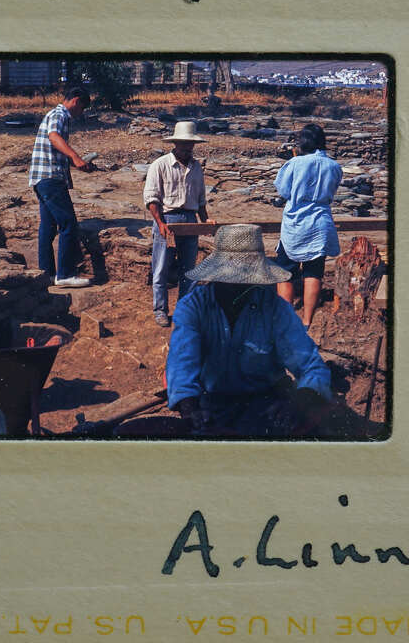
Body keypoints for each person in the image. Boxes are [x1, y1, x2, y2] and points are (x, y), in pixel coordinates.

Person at [166, 224, 332, 437]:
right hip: (212, 402)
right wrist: (189, 407)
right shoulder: (193, 307)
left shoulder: (275, 308)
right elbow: (181, 363)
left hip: (266, 403)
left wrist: (300, 402)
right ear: (216, 276)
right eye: (231, 281)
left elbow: (311, 365)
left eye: (246, 281)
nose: (239, 288)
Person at [274, 123, 343, 329]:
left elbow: (283, 190)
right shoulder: (334, 166)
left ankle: (286, 319)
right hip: (320, 222)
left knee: (285, 271)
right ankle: (307, 320)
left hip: (296, 222)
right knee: (314, 272)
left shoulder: (295, 163)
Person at [143, 121, 211, 327]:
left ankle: (184, 311)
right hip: (168, 219)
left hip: (190, 220)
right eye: (183, 144)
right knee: (161, 268)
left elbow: (200, 199)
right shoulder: (160, 165)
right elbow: (152, 198)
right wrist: (161, 223)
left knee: (189, 270)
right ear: (175, 143)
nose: (186, 148)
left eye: (189, 145)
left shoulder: (196, 166)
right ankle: (160, 310)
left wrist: (205, 220)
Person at [28, 87, 95, 288]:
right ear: (76, 101)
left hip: (42, 178)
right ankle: (65, 274)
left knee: (47, 228)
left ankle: (46, 273)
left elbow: (55, 146)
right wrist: (75, 156)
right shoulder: (60, 114)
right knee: (68, 224)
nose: (80, 113)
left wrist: (79, 163)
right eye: (82, 108)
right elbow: (54, 137)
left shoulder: (54, 113)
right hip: (50, 178)